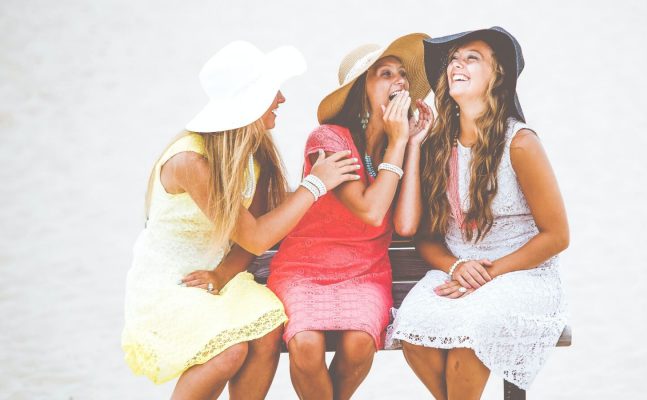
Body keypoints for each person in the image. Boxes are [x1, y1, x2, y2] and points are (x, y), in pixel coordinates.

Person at [121, 40, 360, 399]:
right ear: (251, 101)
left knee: (265, 334)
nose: (281, 99)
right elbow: (256, 237)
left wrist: (221, 273)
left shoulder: (256, 154)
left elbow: (254, 234)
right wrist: (314, 184)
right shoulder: (191, 161)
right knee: (228, 350)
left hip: (220, 275)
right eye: (272, 91)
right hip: (172, 284)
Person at [387, 27, 570, 399]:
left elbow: (557, 236)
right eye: (454, 59)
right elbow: (423, 235)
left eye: (472, 58)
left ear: (497, 75)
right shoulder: (438, 146)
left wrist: (488, 274)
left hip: (522, 272)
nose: (458, 64)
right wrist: (456, 267)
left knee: (473, 336)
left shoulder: (519, 144)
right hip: (458, 270)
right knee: (412, 329)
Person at [266, 33, 432, 400]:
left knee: (360, 344)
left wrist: (412, 144)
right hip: (305, 270)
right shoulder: (327, 139)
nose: (399, 82)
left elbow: (404, 225)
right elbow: (372, 211)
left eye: (401, 74)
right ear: (361, 90)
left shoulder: (400, 143)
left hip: (365, 272)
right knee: (305, 343)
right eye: (385, 74)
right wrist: (397, 143)